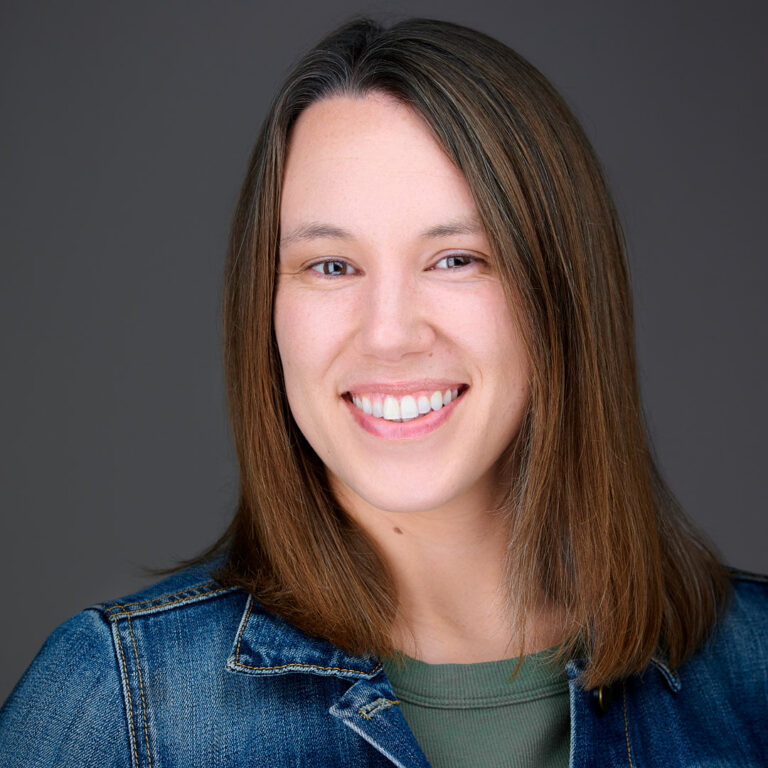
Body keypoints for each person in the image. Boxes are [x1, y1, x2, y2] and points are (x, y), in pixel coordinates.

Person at [1, 15, 766, 768]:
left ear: (562, 294)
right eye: (331, 266)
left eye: (456, 258)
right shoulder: (123, 707)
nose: (390, 333)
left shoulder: (754, 672)